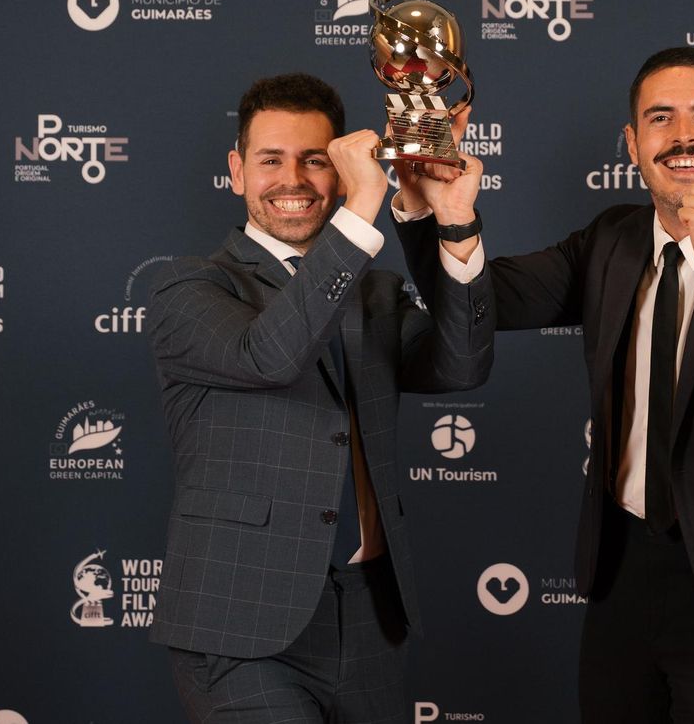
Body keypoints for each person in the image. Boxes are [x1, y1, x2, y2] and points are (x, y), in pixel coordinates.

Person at [395, 47, 694, 723]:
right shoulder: (610, 242)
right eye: (660, 119)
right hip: (623, 580)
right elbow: (479, 302)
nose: (683, 136)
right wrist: (440, 212)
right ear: (633, 144)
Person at [147, 73, 493, 724]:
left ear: (339, 168)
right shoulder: (187, 290)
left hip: (368, 616)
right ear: (236, 171)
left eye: (315, 159)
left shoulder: (377, 292)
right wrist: (363, 211)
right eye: (270, 159)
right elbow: (271, 355)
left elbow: (462, 369)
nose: (293, 179)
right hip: (239, 625)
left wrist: (451, 221)